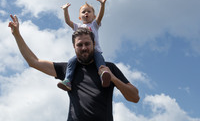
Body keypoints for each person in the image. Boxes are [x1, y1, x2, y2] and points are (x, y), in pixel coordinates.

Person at [8, 15, 139, 121]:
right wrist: (17, 35)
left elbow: (134, 97)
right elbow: (34, 62)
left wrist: (113, 78)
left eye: (87, 44)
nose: (84, 48)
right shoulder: (68, 69)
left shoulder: (108, 67)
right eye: (79, 45)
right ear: (74, 47)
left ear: (94, 44)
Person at [58, 0, 110, 91]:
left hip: (95, 51)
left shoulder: (94, 24)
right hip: (82, 53)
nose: (86, 13)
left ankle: (103, 76)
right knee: (71, 61)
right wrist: (65, 10)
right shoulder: (78, 26)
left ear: (93, 16)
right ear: (79, 17)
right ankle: (68, 81)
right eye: (83, 12)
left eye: (89, 11)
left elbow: (100, 16)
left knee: (100, 62)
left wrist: (102, 5)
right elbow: (68, 21)